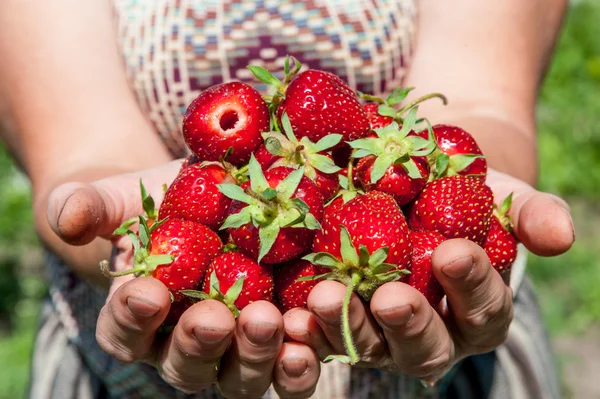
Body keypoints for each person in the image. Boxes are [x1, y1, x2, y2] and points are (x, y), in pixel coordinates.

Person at [0, 0, 574, 398]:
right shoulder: (256, 207)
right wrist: (125, 232)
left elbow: (485, 101)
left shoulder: (350, 192)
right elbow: (79, 145)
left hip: (445, 363)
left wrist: (468, 182)